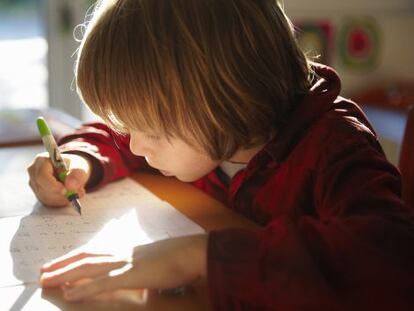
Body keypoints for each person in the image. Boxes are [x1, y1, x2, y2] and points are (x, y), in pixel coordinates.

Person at [27, 0, 414, 310]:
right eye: (129, 127)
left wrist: (198, 257)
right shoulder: (207, 131)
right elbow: (109, 138)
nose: (136, 146)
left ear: (225, 100)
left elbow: (389, 260)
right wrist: (80, 160)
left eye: (154, 132)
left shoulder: (333, 145)